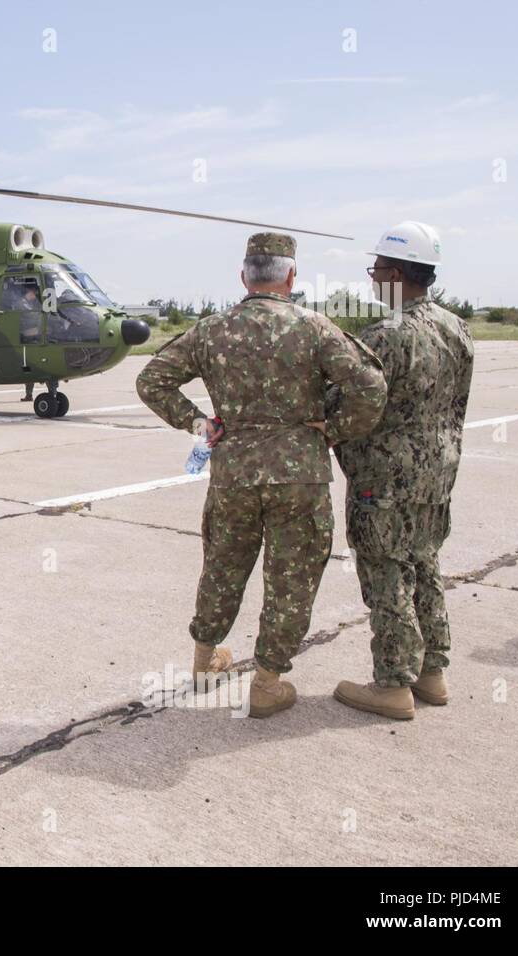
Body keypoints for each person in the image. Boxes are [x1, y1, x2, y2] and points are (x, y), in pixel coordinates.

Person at [137, 232, 386, 717]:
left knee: (223, 565)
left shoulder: (211, 330)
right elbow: (370, 387)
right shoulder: (315, 328)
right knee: (291, 577)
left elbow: (152, 380)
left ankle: (205, 660)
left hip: (233, 474)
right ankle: (268, 682)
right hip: (300, 477)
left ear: (244, 276)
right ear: (291, 277)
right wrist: (334, 429)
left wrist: (200, 424)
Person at [331, 221, 474, 720]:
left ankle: (392, 684)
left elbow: (350, 404)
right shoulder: (457, 329)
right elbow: (456, 406)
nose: (372, 279)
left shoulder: (388, 336)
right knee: (425, 566)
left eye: (376, 270)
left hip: (384, 481)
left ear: (395, 272)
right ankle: (432, 674)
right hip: (436, 477)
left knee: (388, 576)